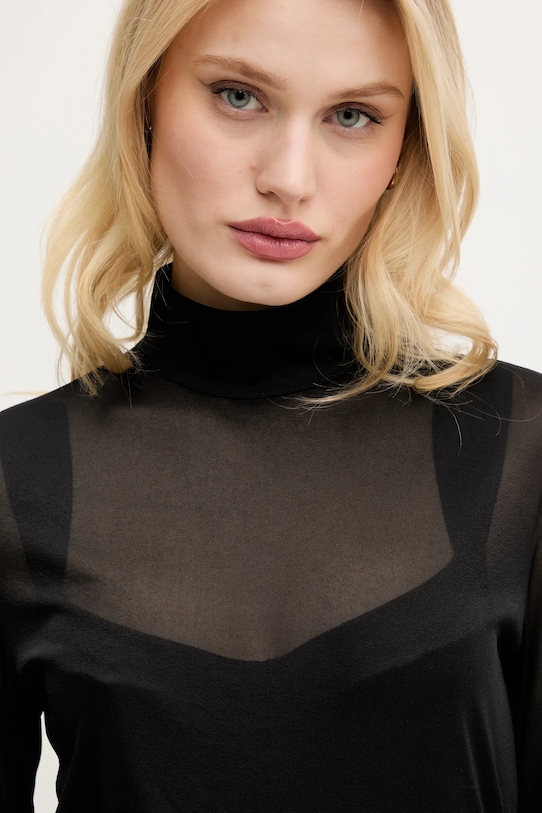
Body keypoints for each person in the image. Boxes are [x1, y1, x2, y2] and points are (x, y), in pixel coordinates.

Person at [0, 0, 540, 810]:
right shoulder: (15, 480)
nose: (289, 178)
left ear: (404, 150)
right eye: (238, 96)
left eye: (353, 116)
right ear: (143, 102)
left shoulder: (523, 449)